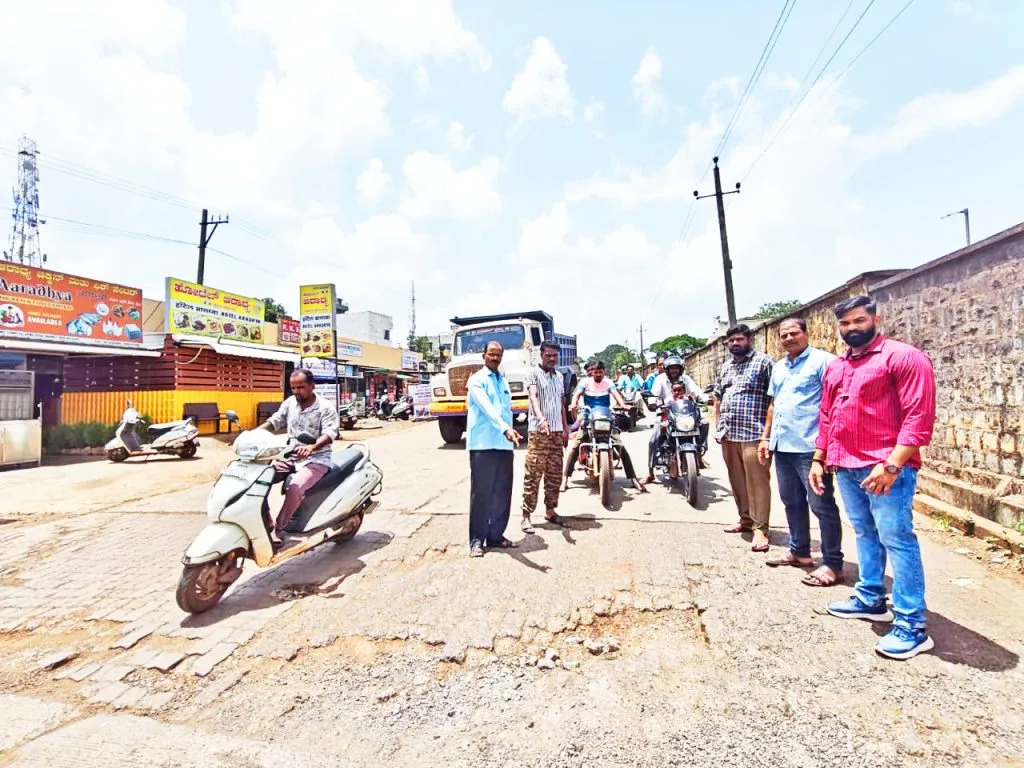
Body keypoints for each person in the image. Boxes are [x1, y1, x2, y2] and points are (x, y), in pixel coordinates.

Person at [810, 295, 937, 659]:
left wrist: (893, 465)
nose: (852, 328)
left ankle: (912, 625)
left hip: (886, 469)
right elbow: (827, 415)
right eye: (845, 323)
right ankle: (870, 597)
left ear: (876, 320)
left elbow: (918, 417)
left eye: (859, 321)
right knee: (865, 532)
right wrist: (820, 458)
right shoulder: (837, 367)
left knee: (897, 538)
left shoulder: (903, 357)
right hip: (847, 465)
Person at [757, 318, 844, 587]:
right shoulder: (779, 367)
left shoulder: (824, 362)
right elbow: (774, 403)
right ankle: (800, 552)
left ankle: (832, 563)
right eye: (783, 335)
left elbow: (835, 404)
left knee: (822, 506)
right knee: (791, 502)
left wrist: (826, 448)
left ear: (806, 333)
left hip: (810, 447)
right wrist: (766, 436)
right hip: (783, 446)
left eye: (794, 333)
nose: (788, 339)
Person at [260, 368, 340, 546]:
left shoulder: (325, 407)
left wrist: (312, 447)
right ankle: (266, 524)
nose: (296, 391)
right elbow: (275, 421)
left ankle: (279, 528)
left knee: (295, 488)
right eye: (293, 388)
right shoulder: (290, 403)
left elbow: (330, 433)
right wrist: (254, 433)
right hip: (289, 455)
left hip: (317, 459)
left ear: (312, 386)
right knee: (258, 479)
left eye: (301, 387)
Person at [712, 324, 774, 553]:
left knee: (757, 483)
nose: (735, 344)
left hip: (754, 434)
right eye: (731, 341)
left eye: (739, 339)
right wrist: (718, 427)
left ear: (749, 339)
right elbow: (718, 396)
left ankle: (761, 528)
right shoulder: (726, 366)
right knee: (737, 480)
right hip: (729, 433)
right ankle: (745, 519)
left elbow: (773, 400)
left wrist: (767, 434)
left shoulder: (764, 362)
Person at [466, 341, 522, 557]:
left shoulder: (503, 381)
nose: (495, 358)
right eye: (491, 354)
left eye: (498, 355)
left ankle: (496, 536)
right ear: (484, 355)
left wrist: (510, 431)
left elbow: (505, 410)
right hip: (483, 444)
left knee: (502, 493)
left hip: (504, 445)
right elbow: (488, 409)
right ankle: (476, 541)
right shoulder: (477, 380)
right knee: (482, 494)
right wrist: (506, 429)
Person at [562, 361, 645, 492]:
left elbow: (616, 394)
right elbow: (577, 395)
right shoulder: (585, 382)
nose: (598, 374)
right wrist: (574, 403)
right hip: (589, 417)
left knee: (620, 446)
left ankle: (633, 478)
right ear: (592, 373)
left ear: (604, 372)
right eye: (596, 372)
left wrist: (622, 404)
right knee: (575, 446)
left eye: (601, 372)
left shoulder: (608, 382)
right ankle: (565, 478)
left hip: (605, 417)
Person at [521, 342, 570, 533]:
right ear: (541, 354)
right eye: (548, 355)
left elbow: (561, 404)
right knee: (533, 475)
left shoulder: (559, 376)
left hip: (557, 433)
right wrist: (541, 418)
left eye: (555, 356)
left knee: (554, 475)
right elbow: (533, 397)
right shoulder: (532, 373)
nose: (552, 359)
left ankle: (550, 511)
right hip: (538, 432)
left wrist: (565, 429)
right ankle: (526, 515)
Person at [645, 355, 707, 482]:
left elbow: (696, 391)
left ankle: (698, 451)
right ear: (667, 369)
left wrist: (706, 399)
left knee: (704, 423)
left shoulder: (686, 379)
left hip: (685, 414)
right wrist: (652, 402)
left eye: (676, 368)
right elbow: (654, 393)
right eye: (671, 368)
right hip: (666, 414)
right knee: (653, 440)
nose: (674, 371)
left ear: (681, 369)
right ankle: (650, 472)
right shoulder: (660, 379)